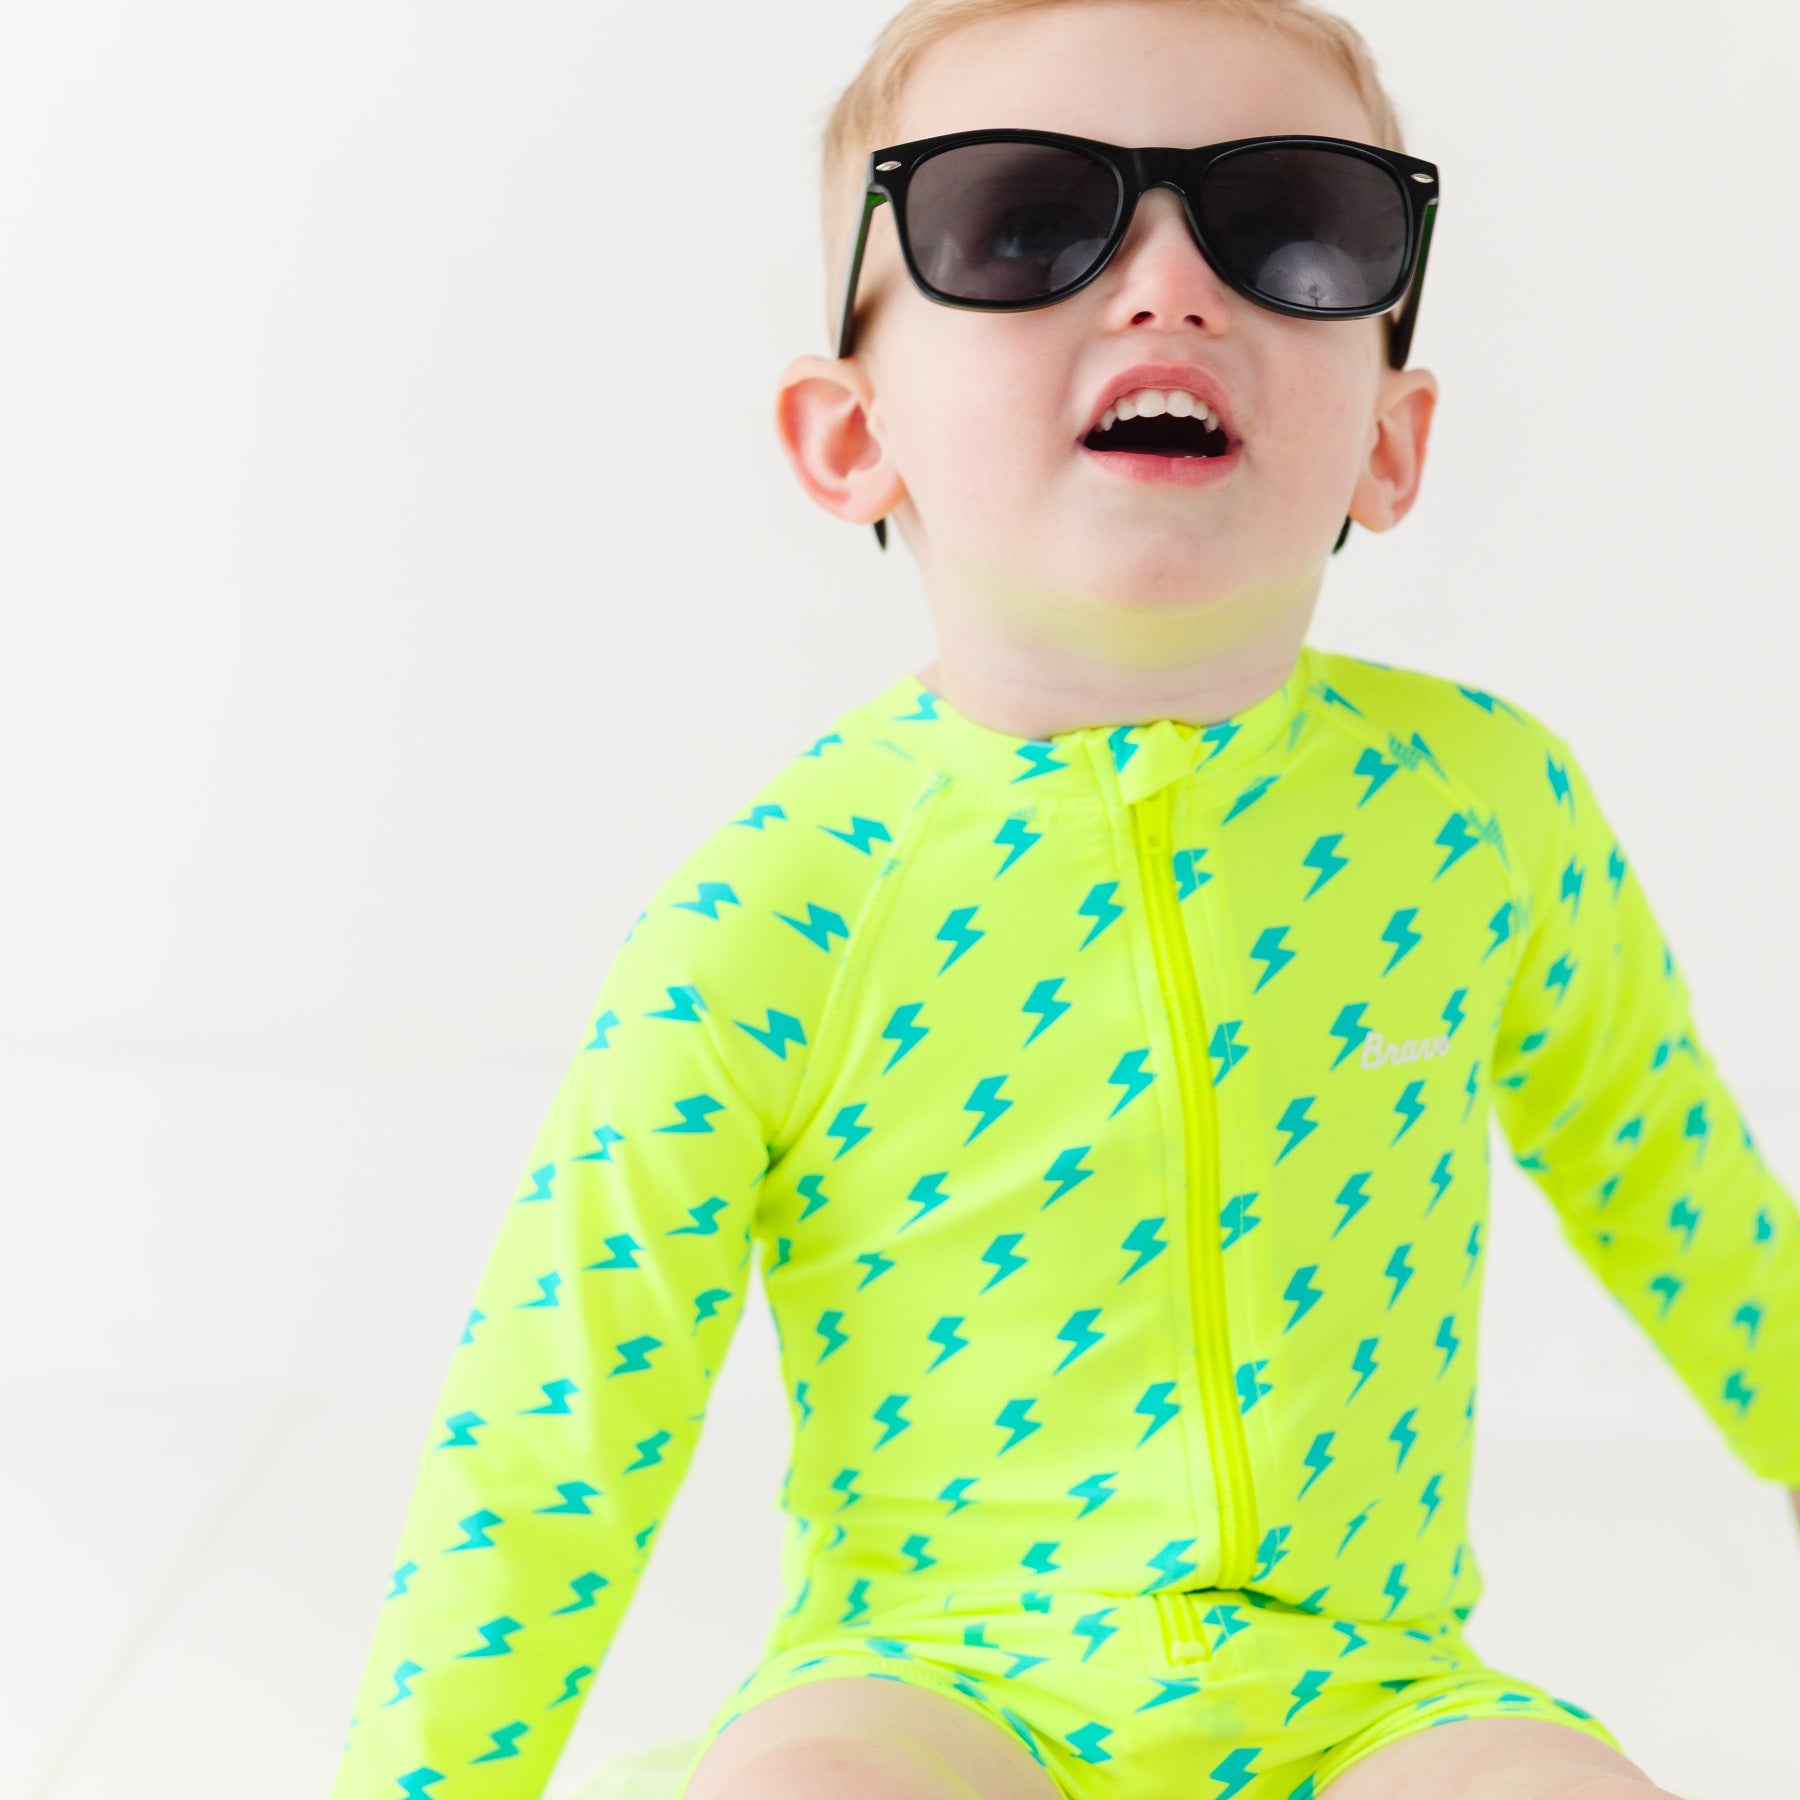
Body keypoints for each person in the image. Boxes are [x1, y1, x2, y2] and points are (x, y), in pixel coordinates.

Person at [325, 2, 1800, 1796]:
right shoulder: (785, 906)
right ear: (849, 438)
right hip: (926, 1684)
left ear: (1392, 446)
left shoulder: (1484, 816)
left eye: (1293, 226)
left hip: (1375, 1690)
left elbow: (1696, 1210)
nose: (1173, 282)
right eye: (1020, 225)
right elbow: (562, 1410)